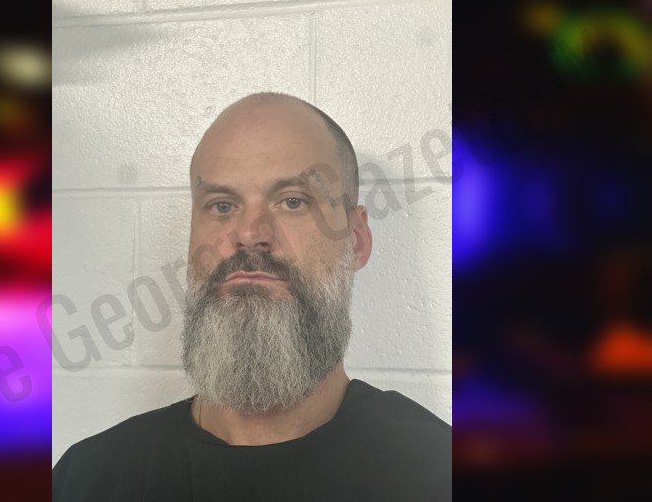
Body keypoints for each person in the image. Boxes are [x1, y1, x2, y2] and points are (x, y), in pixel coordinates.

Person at [52, 93, 451, 501]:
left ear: (357, 239)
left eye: (293, 201)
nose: (249, 234)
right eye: (222, 205)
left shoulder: (436, 473)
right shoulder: (87, 478)